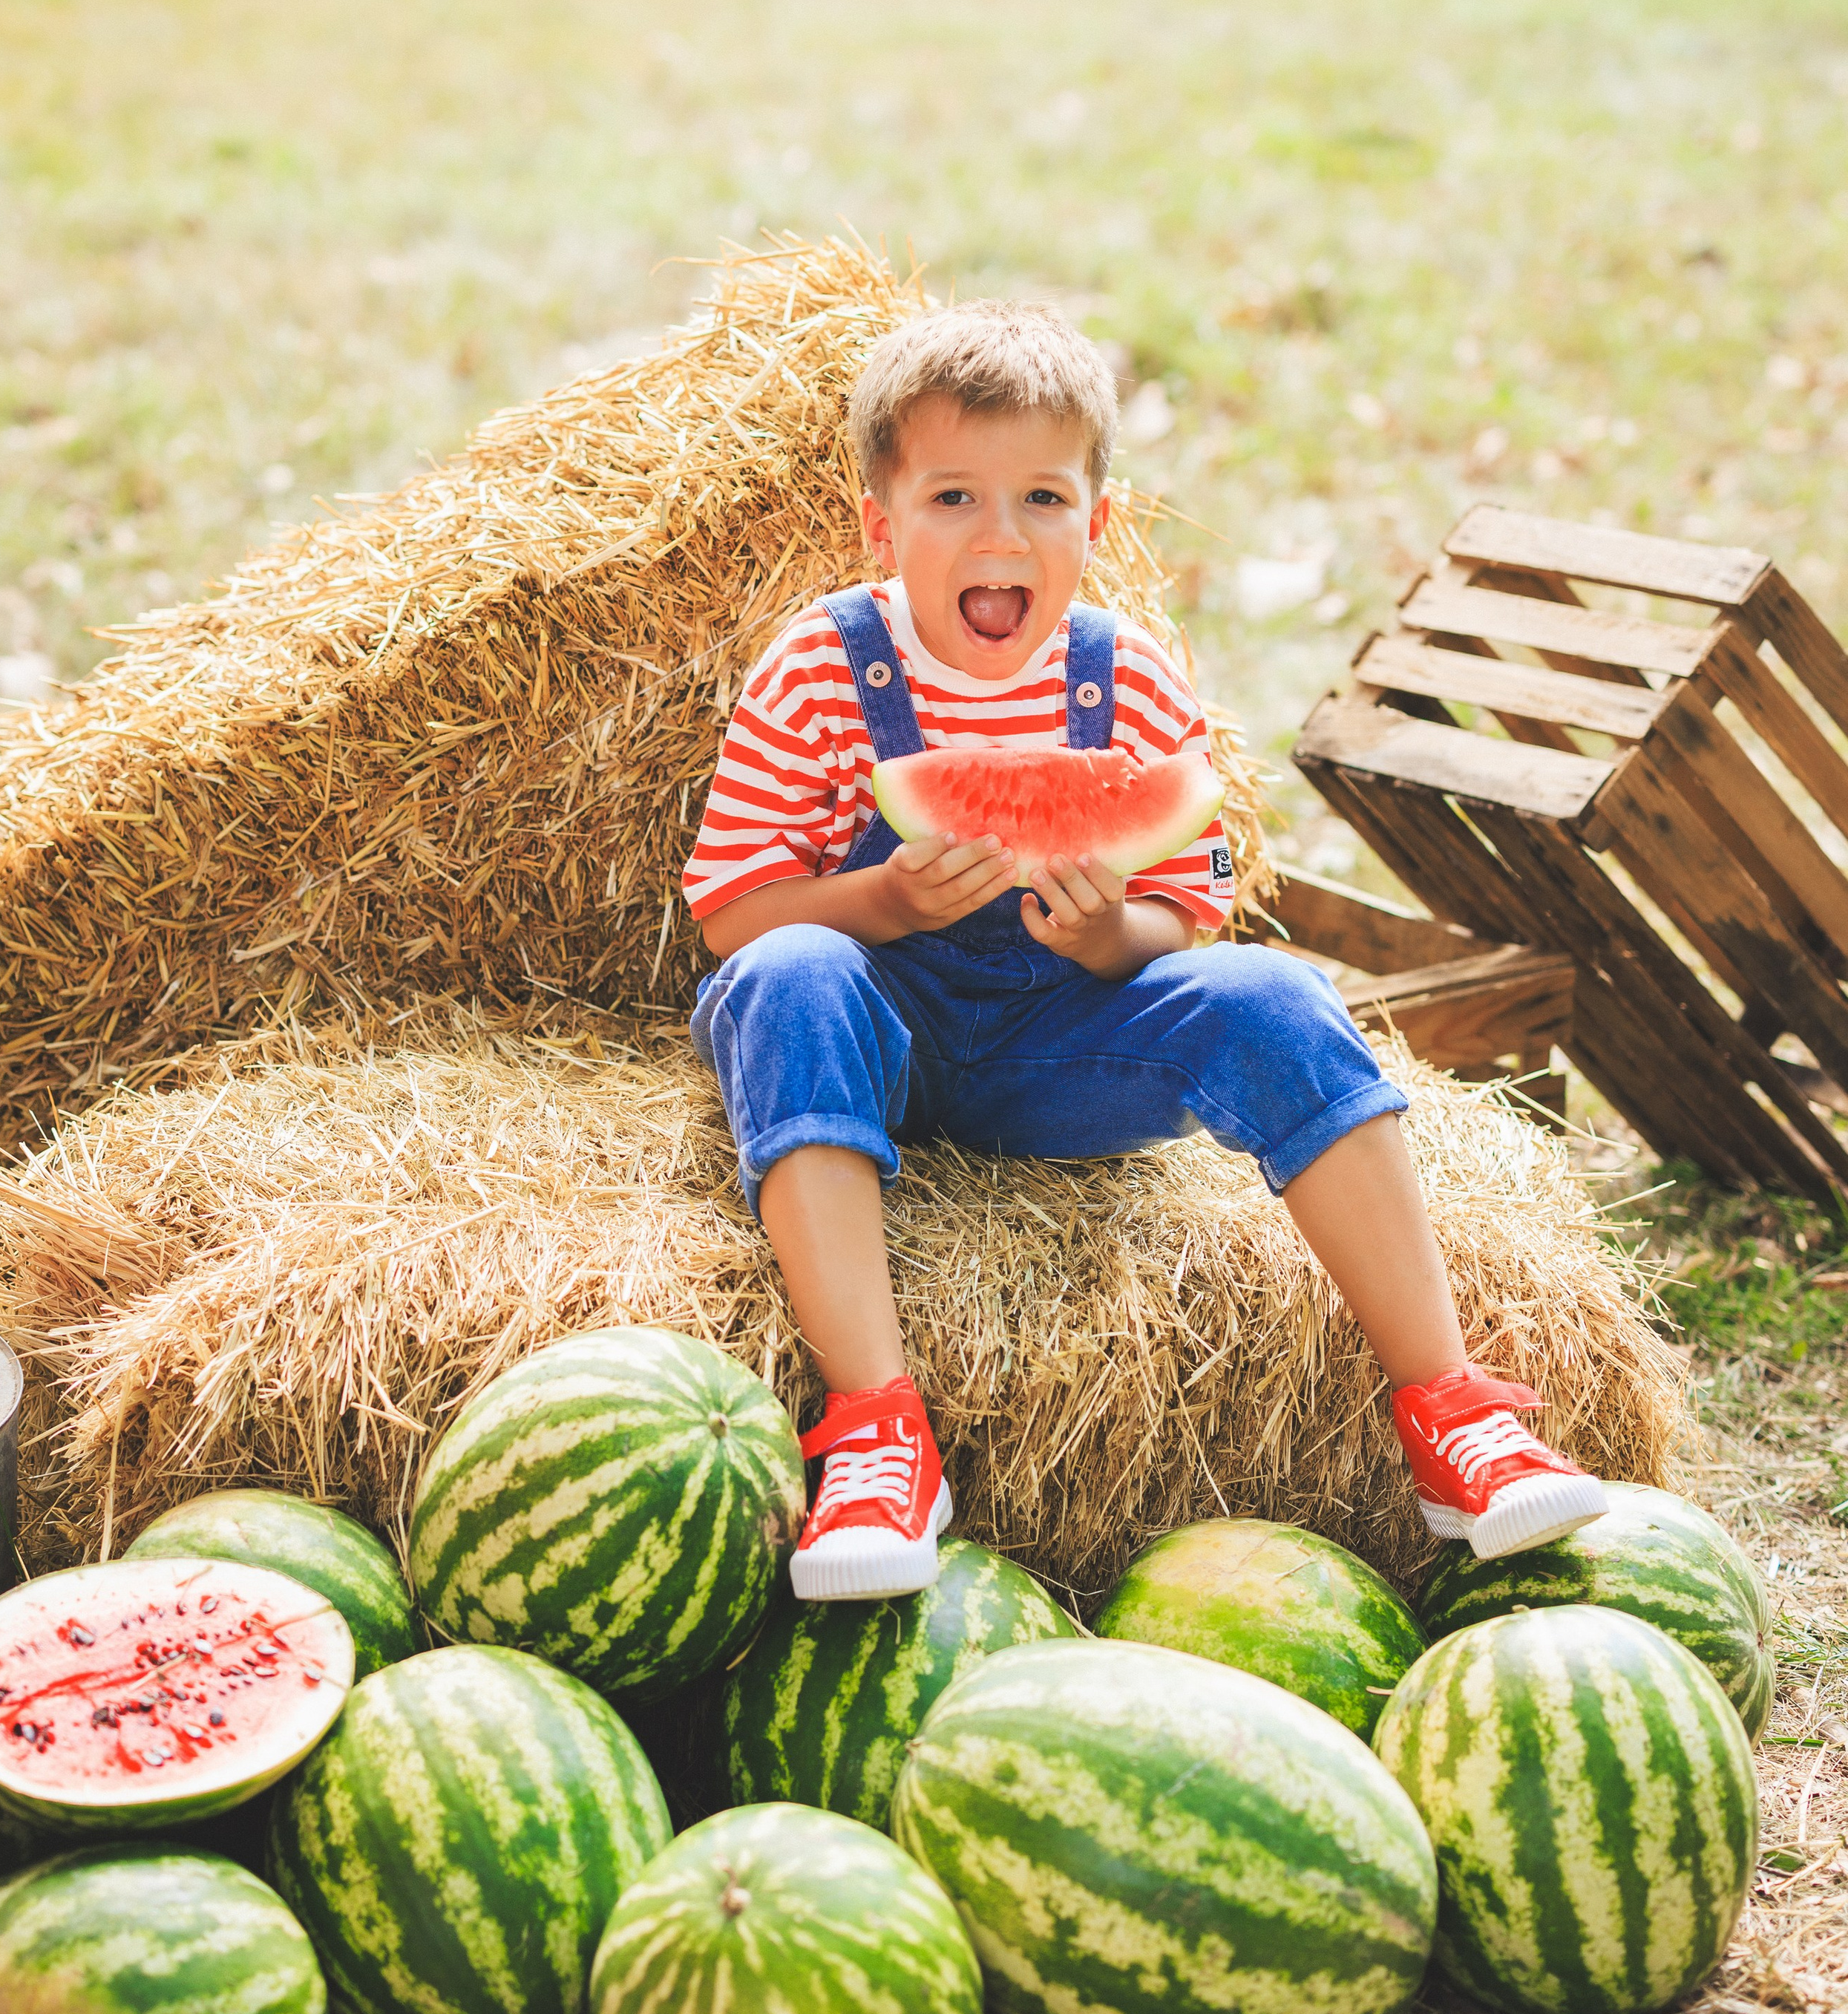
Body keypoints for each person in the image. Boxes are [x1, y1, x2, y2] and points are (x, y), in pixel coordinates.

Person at [684, 301, 1606, 1600]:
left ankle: (1451, 1410)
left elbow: (1199, 900)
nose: (1000, 535)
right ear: (879, 522)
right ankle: (878, 1429)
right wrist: (885, 901)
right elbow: (731, 913)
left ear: (1096, 523)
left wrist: (1117, 930)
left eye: (1043, 498)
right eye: (953, 495)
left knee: (1277, 995)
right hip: (869, 1039)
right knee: (784, 976)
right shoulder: (819, 672)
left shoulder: (1132, 679)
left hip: (1067, 1052)